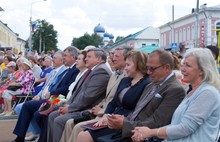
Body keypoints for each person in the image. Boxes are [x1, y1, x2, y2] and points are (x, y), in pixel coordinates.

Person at [77, 49, 185, 142]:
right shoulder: (152, 84)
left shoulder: (175, 89)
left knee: (84, 135)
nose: (148, 72)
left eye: (152, 69)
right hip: (132, 128)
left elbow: (157, 122)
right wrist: (120, 118)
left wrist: (124, 123)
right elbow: (137, 111)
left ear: (166, 68)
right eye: (147, 68)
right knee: (83, 133)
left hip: (141, 134)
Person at [131, 48, 220, 142]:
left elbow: (185, 128)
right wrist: (144, 132)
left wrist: (150, 132)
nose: (182, 69)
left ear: (202, 70)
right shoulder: (193, 91)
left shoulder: (208, 93)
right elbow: (177, 125)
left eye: (188, 66)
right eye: (183, 64)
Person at [76, 50, 152, 142]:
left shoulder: (147, 84)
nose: (126, 68)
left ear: (138, 65)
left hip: (125, 123)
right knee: (82, 134)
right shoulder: (125, 80)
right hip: (112, 119)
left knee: (85, 136)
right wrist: (105, 116)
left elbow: (139, 110)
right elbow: (113, 102)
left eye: (128, 65)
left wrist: (115, 119)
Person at [61, 47, 132, 142]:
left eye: (116, 56)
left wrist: (102, 111)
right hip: (99, 110)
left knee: (76, 126)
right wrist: (98, 107)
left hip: (108, 114)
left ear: (126, 58)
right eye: (113, 55)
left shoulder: (127, 77)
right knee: (69, 122)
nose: (112, 58)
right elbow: (107, 97)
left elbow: (117, 102)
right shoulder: (115, 74)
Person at [12, 46, 79, 142]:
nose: (64, 58)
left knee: (37, 112)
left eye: (65, 55)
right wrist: (41, 95)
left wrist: (51, 93)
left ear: (73, 57)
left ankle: (39, 136)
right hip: (54, 98)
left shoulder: (73, 70)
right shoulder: (68, 70)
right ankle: (23, 136)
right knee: (28, 107)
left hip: (58, 99)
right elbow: (55, 86)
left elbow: (67, 88)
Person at [47, 48, 112, 142]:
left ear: (98, 59)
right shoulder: (93, 70)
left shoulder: (101, 71)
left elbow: (88, 96)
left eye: (89, 57)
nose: (86, 59)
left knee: (59, 119)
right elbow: (77, 92)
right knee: (52, 114)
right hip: (79, 106)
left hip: (88, 110)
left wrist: (69, 108)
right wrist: (68, 105)